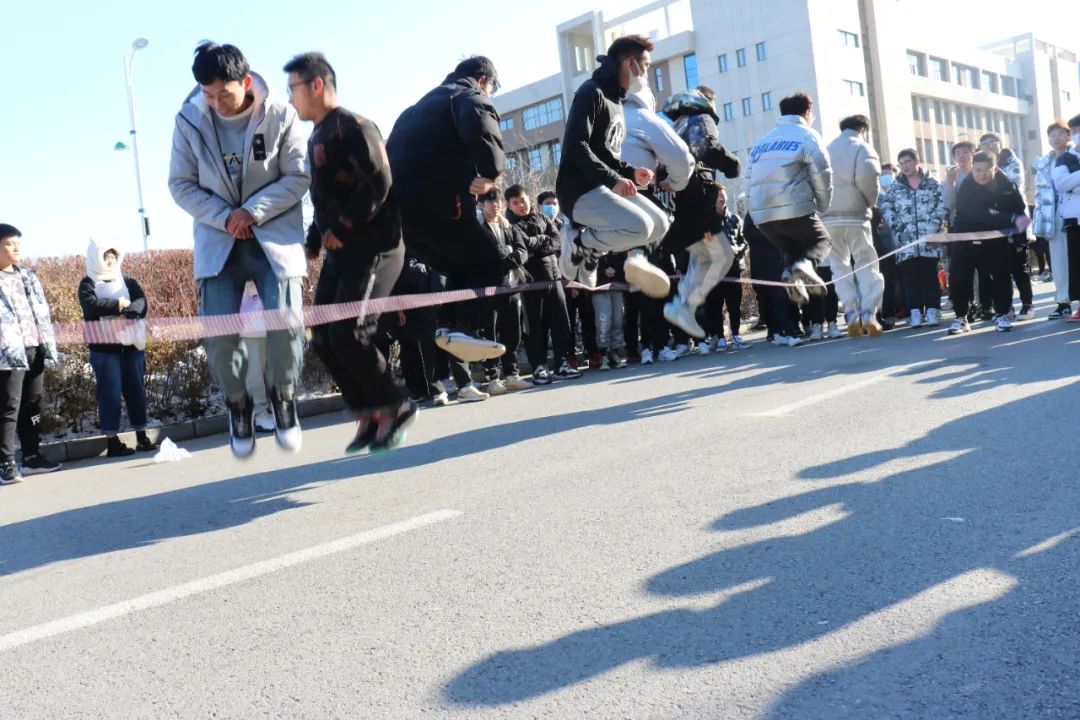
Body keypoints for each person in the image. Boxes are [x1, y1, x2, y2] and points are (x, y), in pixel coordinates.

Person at [169, 43, 308, 459]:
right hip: (218, 242)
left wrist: (253, 211)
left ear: (245, 83)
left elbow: (299, 175)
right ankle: (238, 407)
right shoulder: (188, 121)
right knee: (219, 338)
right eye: (208, 95)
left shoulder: (280, 115)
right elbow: (180, 184)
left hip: (274, 239)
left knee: (286, 325)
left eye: (224, 94)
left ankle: (284, 400)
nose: (216, 103)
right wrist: (225, 216)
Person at [285, 52, 419, 452]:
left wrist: (343, 226)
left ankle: (396, 405)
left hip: (376, 247)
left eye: (293, 88)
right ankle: (369, 412)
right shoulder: (316, 137)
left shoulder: (355, 126)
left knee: (349, 332)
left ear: (316, 85)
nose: (290, 99)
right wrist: (314, 238)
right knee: (324, 336)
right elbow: (325, 198)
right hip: (341, 255)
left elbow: (378, 182)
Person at [386, 56, 512, 371]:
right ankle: (464, 325)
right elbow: (482, 130)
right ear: (482, 80)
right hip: (442, 205)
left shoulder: (413, 110)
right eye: (492, 89)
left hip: (402, 217)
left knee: (455, 265)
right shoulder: (468, 95)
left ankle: (447, 326)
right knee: (491, 262)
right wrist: (490, 172)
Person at [556, 34, 672, 298]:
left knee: (660, 223)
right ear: (630, 63)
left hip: (603, 187)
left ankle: (591, 248)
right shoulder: (591, 92)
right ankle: (580, 242)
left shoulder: (617, 101)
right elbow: (576, 146)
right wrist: (614, 180)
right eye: (645, 66)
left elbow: (605, 153)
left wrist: (630, 172)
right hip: (578, 191)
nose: (646, 74)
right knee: (642, 225)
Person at [656, 87, 739, 339]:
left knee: (702, 257)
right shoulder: (701, 118)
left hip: (676, 205)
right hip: (697, 204)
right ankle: (684, 305)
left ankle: (683, 304)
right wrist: (733, 165)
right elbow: (707, 148)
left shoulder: (674, 126)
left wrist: (718, 186)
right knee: (722, 256)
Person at [747, 92, 833, 306]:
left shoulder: (762, 141)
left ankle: (791, 279)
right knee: (821, 240)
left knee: (791, 248)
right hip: (794, 209)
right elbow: (821, 172)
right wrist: (823, 204)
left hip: (763, 216)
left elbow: (748, 180)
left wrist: (755, 212)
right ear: (808, 112)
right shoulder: (807, 135)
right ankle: (805, 266)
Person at [78, 241, 155, 457]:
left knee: (136, 390)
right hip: (104, 349)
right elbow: (90, 305)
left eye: (113, 256)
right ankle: (112, 441)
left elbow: (141, 301)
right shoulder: (88, 282)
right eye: (105, 257)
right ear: (96, 259)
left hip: (131, 345)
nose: (110, 261)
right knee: (109, 394)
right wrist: (118, 305)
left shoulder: (127, 281)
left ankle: (142, 435)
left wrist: (130, 312)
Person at [0, 224, 60, 484]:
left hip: (33, 347)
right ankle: (5, 463)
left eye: (18, 243)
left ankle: (32, 456)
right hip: (7, 353)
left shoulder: (27, 276)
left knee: (32, 403)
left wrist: (46, 343)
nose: (16, 248)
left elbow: (41, 311)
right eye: (9, 243)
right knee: (9, 407)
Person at [505, 186, 580, 384]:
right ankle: (539, 367)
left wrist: (537, 242)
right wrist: (542, 240)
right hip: (530, 283)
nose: (521, 205)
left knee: (561, 323)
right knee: (535, 327)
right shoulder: (510, 224)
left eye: (523, 200)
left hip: (554, 278)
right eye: (515, 203)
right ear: (509, 206)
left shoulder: (542, 217)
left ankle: (562, 364)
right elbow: (522, 247)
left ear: (528, 199)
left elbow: (556, 242)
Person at [948, 151, 1029, 334]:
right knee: (959, 276)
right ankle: (961, 317)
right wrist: (1009, 218)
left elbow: (1019, 209)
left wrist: (1019, 231)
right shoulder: (967, 185)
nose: (982, 174)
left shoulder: (1006, 184)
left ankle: (1002, 314)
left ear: (995, 169)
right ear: (973, 169)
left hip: (995, 237)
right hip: (966, 235)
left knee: (1000, 274)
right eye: (978, 170)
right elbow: (979, 213)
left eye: (987, 170)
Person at [822, 115, 884, 336]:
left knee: (839, 266)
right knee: (866, 263)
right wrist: (870, 203)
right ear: (863, 129)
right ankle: (868, 313)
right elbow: (868, 178)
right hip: (856, 215)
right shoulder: (862, 148)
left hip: (829, 218)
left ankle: (850, 312)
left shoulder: (826, 150)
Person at [879, 149, 946, 328]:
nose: (905, 166)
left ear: (917, 161)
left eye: (908, 161)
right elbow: (887, 207)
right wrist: (898, 227)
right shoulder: (895, 186)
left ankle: (932, 310)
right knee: (910, 278)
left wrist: (933, 226)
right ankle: (914, 312)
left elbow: (942, 205)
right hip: (905, 242)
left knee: (929, 276)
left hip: (929, 241)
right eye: (901, 163)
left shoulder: (932, 183)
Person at [474, 189, 532, 395]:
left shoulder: (508, 226)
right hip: (488, 289)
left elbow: (522, 251)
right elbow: (488, 255)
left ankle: (512, 375)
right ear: (480, 204)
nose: (495, 204)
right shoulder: (477, 228)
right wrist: (509, 254)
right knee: (490, 334)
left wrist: (510, 256)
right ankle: (493, 378)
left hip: (511, 286)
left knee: (512, 333)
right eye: (489, 201)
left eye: (497, 200)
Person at [980, 132, 1034, 321]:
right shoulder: (981, 166)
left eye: (992, 143)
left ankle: (1027, 304)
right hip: (994, 224)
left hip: (1015, 221)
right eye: (984, 144)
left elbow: (1013, 183)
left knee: (1019, 266)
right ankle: (1006, 307)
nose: (989, 146)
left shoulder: (1012, 162)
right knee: (999, 269)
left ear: (1000, 144)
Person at [1034, 122, 1073, 319]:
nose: (1056, 138)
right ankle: (1063, 302)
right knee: (1058, 261)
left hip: (1074, 214)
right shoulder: (1044, 163)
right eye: (1052, 135)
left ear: (1068, 136)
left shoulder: (1075, 156)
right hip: (1053, 218)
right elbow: (1039, 194)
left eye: (1060, 134)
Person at [1052, 113, 1080, 322]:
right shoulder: (1064, 158)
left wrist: (1074, 185)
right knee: (1077, 264)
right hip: (1074, 219)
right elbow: (1061, 185)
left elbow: (1070, 185)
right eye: (1075, 131)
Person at [238, 281, 275, 433]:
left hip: (270, 320)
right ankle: (259, 414)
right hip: (249, 323)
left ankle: (273, 409)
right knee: (254, 373)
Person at [874, 163, 902, 329]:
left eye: (889, 173)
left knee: (900, 279)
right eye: (883, 173)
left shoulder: (899, 192)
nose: (886, 176)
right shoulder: (875, 196)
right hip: (882, 245)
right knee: (886, 280)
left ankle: (901, 309)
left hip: (900, 243)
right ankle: (886, 312)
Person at [592, 253, 628, 369]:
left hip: (617, 285)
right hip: (599, 286)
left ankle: (614, 354)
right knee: (603, 322)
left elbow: (623, 258)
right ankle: (604, 356)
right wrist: (603, 271)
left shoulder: (617, 242)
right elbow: (587, 262)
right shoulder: (592, 242)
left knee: (617, 321)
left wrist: (616, 269)